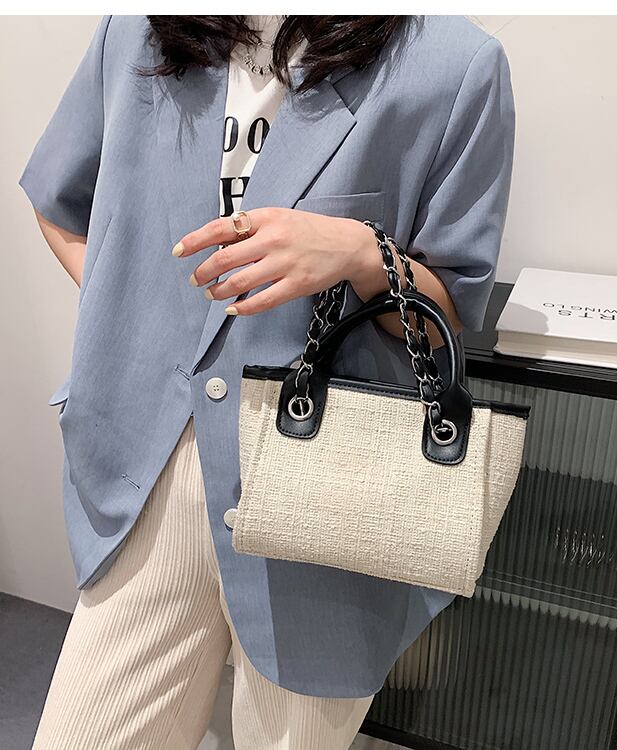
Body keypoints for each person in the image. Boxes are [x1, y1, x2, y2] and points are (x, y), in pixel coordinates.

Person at [20, 14, 515, 750]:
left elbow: (445, 315)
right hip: (148, 473)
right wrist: (138, 317)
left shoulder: (452, 64)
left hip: (323, 486)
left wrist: (357, 251)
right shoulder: (143, 31)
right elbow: (60, 204)